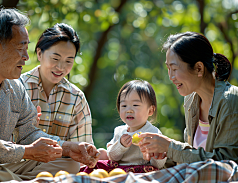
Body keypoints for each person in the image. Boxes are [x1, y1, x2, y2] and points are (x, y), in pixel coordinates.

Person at [0, 8, 99, 183]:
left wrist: (68, 148)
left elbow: (29, 132)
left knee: (68, 164)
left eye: (26, 47)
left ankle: (11, 181)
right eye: (20, 48)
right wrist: (27, 151)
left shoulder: (15, 86)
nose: (26, 57)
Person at [135, 32, 238, 181]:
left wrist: (170, 147)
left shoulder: (230, 101)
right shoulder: (191, 100)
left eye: (174, 69)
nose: (171, 76)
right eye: (168, 69)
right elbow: (193, 155)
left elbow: (226, 165)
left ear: (198, 69)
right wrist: (164, 154)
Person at [19, 23, 96, 174]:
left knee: (71, 166)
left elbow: (82, 151)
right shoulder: (18, 87)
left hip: (54, 168)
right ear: (39, 54)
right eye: (55, 58)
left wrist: (89, 154)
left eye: (69, 61)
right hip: (18, 163)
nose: (61, 67)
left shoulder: (76, 98)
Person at [80, 80, 167, 174]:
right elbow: (112, 157)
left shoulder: (153, 133)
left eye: (135, 105)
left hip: (142, 170)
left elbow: (158, 165)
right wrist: (121, 145)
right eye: (124, 105)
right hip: (119, 169)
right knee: (98, 161)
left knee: (155, 172)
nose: (128, 110)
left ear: (150, 110)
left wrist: (154, 154)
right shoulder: (119, 131)